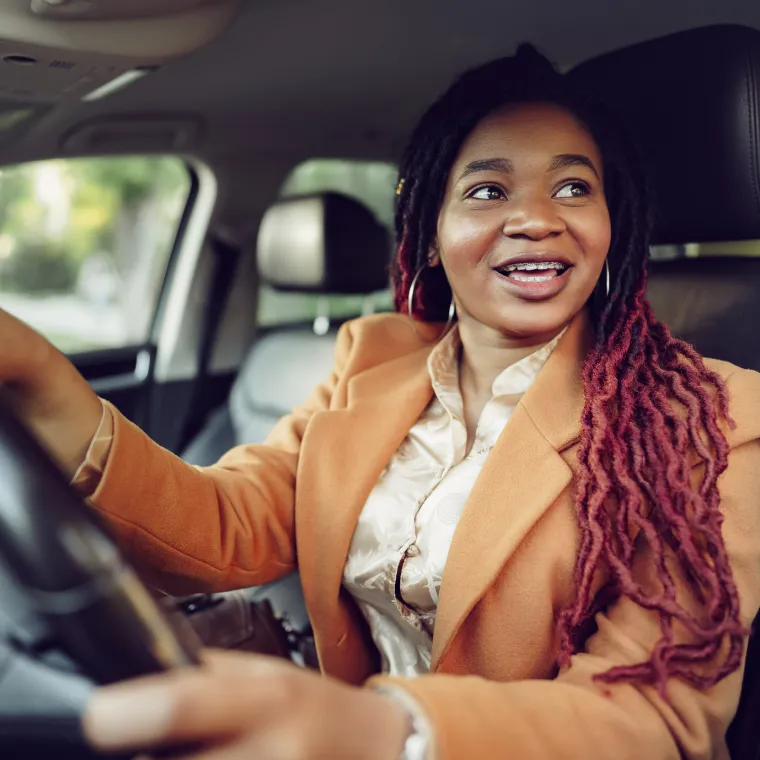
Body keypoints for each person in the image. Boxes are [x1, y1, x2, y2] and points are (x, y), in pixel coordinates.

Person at [2, 45, 760, 760]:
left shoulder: (713, 421)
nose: (537, 218)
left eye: (573, 187)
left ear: (608, 224)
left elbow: (654, 715)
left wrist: (388, 730)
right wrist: (40, 376)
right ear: (428, 234)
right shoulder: (372, 360)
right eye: (488, 191)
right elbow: (223, 528)